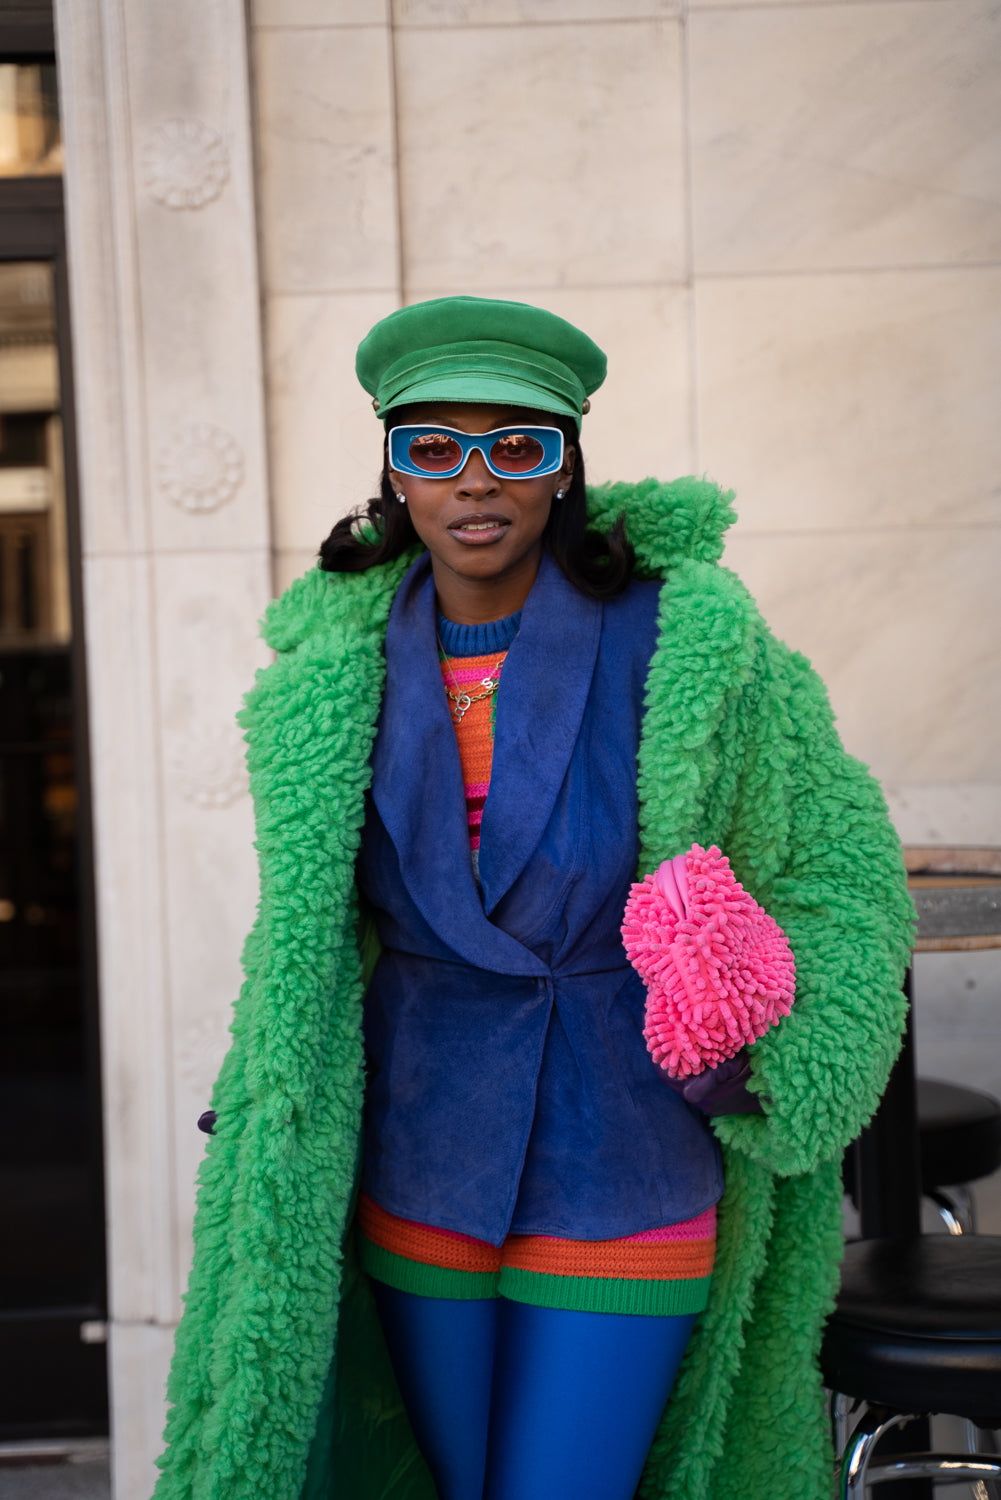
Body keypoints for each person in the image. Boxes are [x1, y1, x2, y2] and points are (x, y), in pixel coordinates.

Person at [153, 297, 914, 1500]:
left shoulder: (692, 640)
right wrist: (279, 1082)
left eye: (516, 445)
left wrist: (774, 1060)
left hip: (631, 1141)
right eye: (433, 447)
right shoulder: (332, 670)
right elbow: (306, 931)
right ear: (392, 472)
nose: (475, 481)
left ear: (565, 466)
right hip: (420, 1146)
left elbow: (839, 868)